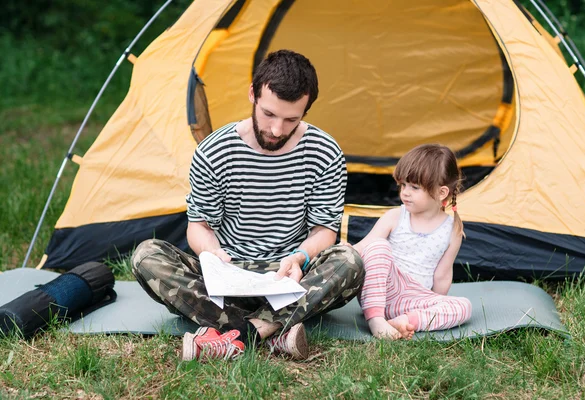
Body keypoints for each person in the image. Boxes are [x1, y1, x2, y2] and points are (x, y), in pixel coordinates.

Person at [131, 50, 364, 361]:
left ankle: (237, 334)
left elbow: (324, 231)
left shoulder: (325, 151)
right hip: (228, 274)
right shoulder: (215, 150)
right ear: (253, 94)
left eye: (291, 119)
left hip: (291, 277)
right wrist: (212, 255)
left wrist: (300, 257)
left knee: (350, 260)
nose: (277, 130)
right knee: (147, 256)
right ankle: (273, 330)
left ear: (307, 110)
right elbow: (199, 226)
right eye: (269, 114)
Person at [351, 144, 472, 340]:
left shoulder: (453, 230)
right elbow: (366, 246)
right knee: (378, 247)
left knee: (463, 306)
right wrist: (346, 250)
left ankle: (407, 321)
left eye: (414, 187)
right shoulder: (395, 216)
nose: (405, 192)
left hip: (415, 299)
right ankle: (375, 319)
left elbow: (442, 275)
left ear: (441, 193)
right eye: (403, 185)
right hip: (382, 290)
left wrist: (435, 302)